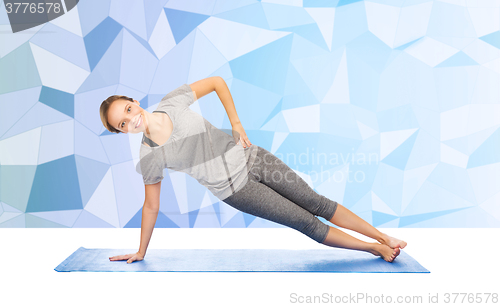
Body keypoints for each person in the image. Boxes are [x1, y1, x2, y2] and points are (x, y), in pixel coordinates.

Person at [100, 77, 406, 265]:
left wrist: (236, 123)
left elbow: (217, 81)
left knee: (317, 203)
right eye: (122, 124)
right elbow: (151, 205)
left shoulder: (173, 101)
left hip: (254, 158)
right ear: (122, 132)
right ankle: (374, 249)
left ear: (134, 102)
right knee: (306, 223)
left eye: (127, 111)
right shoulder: (149, 155)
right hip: (237, 190)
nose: (131, 120)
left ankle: (384, 238)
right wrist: (141, 251)